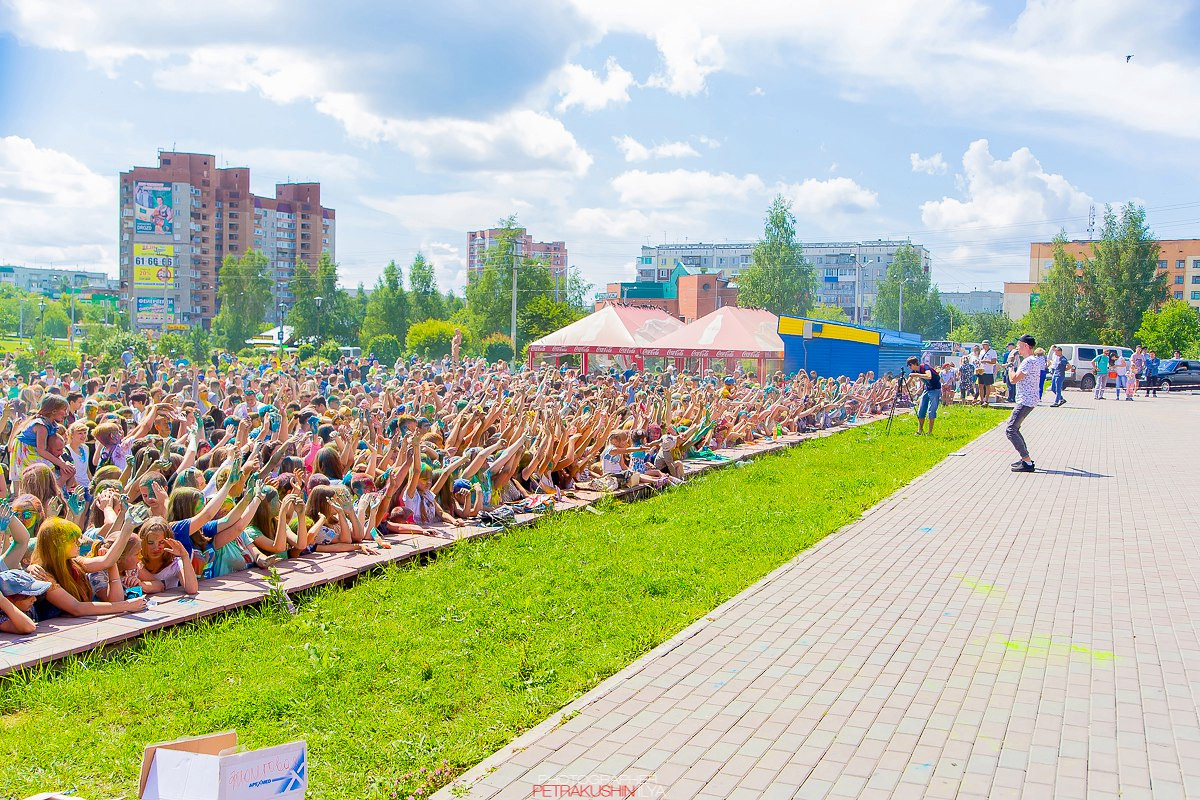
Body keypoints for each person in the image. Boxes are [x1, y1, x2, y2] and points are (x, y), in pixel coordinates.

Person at [1007, 334, 1042, 473]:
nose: (1017, 348)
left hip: (1025, 400)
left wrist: (1010, 365)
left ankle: (1027, 461)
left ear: (1026, 346)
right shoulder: (1032, 360)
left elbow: (1013, 379)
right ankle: (1025, 459)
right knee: (1014, 428)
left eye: (1019, 346)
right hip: (1029, 399)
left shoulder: (1028, 361)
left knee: (1010, 430)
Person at [906, 356, 941, 436]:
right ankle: (919, 431)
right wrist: (902, 384)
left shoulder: (924, 367)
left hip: (935, 389)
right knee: (921, 410)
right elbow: (907, 383)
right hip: (927, 389)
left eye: (910, 365)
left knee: (931, 411)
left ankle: (930, 432)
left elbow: (929, 376)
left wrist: (917, 374)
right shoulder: (914, 371)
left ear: (914, 364)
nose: (909, 367)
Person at [977, 340, 998, 406]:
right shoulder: (982, 352)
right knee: (980, 385)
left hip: (988, 371)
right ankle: (981, 400)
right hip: (981, 370)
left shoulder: (992, 352)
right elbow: (980, 360)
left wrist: (986, 361)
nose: (983, 346)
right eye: (983, 345)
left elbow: (994, 361)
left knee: (987, 385)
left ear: (988, 345)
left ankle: (986, 400)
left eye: (985, 345)